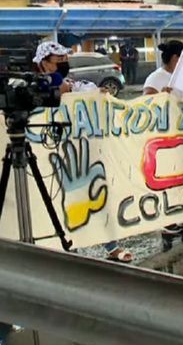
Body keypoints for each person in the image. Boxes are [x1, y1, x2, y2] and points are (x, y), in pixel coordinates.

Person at [33, 41, 134, 263]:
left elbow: (86, 91)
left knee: (93, 195)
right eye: (58, 61)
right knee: (57, 202)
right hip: (49, 156)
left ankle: (110, 245)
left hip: (80, 151)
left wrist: (98, 94)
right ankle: (68, 248)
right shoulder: (34, 86)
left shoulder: (70, 82)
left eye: (65, 60)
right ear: (43, 63)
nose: (63, 65)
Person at [144, 40, 183, 236]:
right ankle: (166, 218)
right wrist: (161, 98)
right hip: (164, 139)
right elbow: (145, 105)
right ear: (176, 58)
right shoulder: (156, 78)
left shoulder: (182, 78)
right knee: (167, 178)